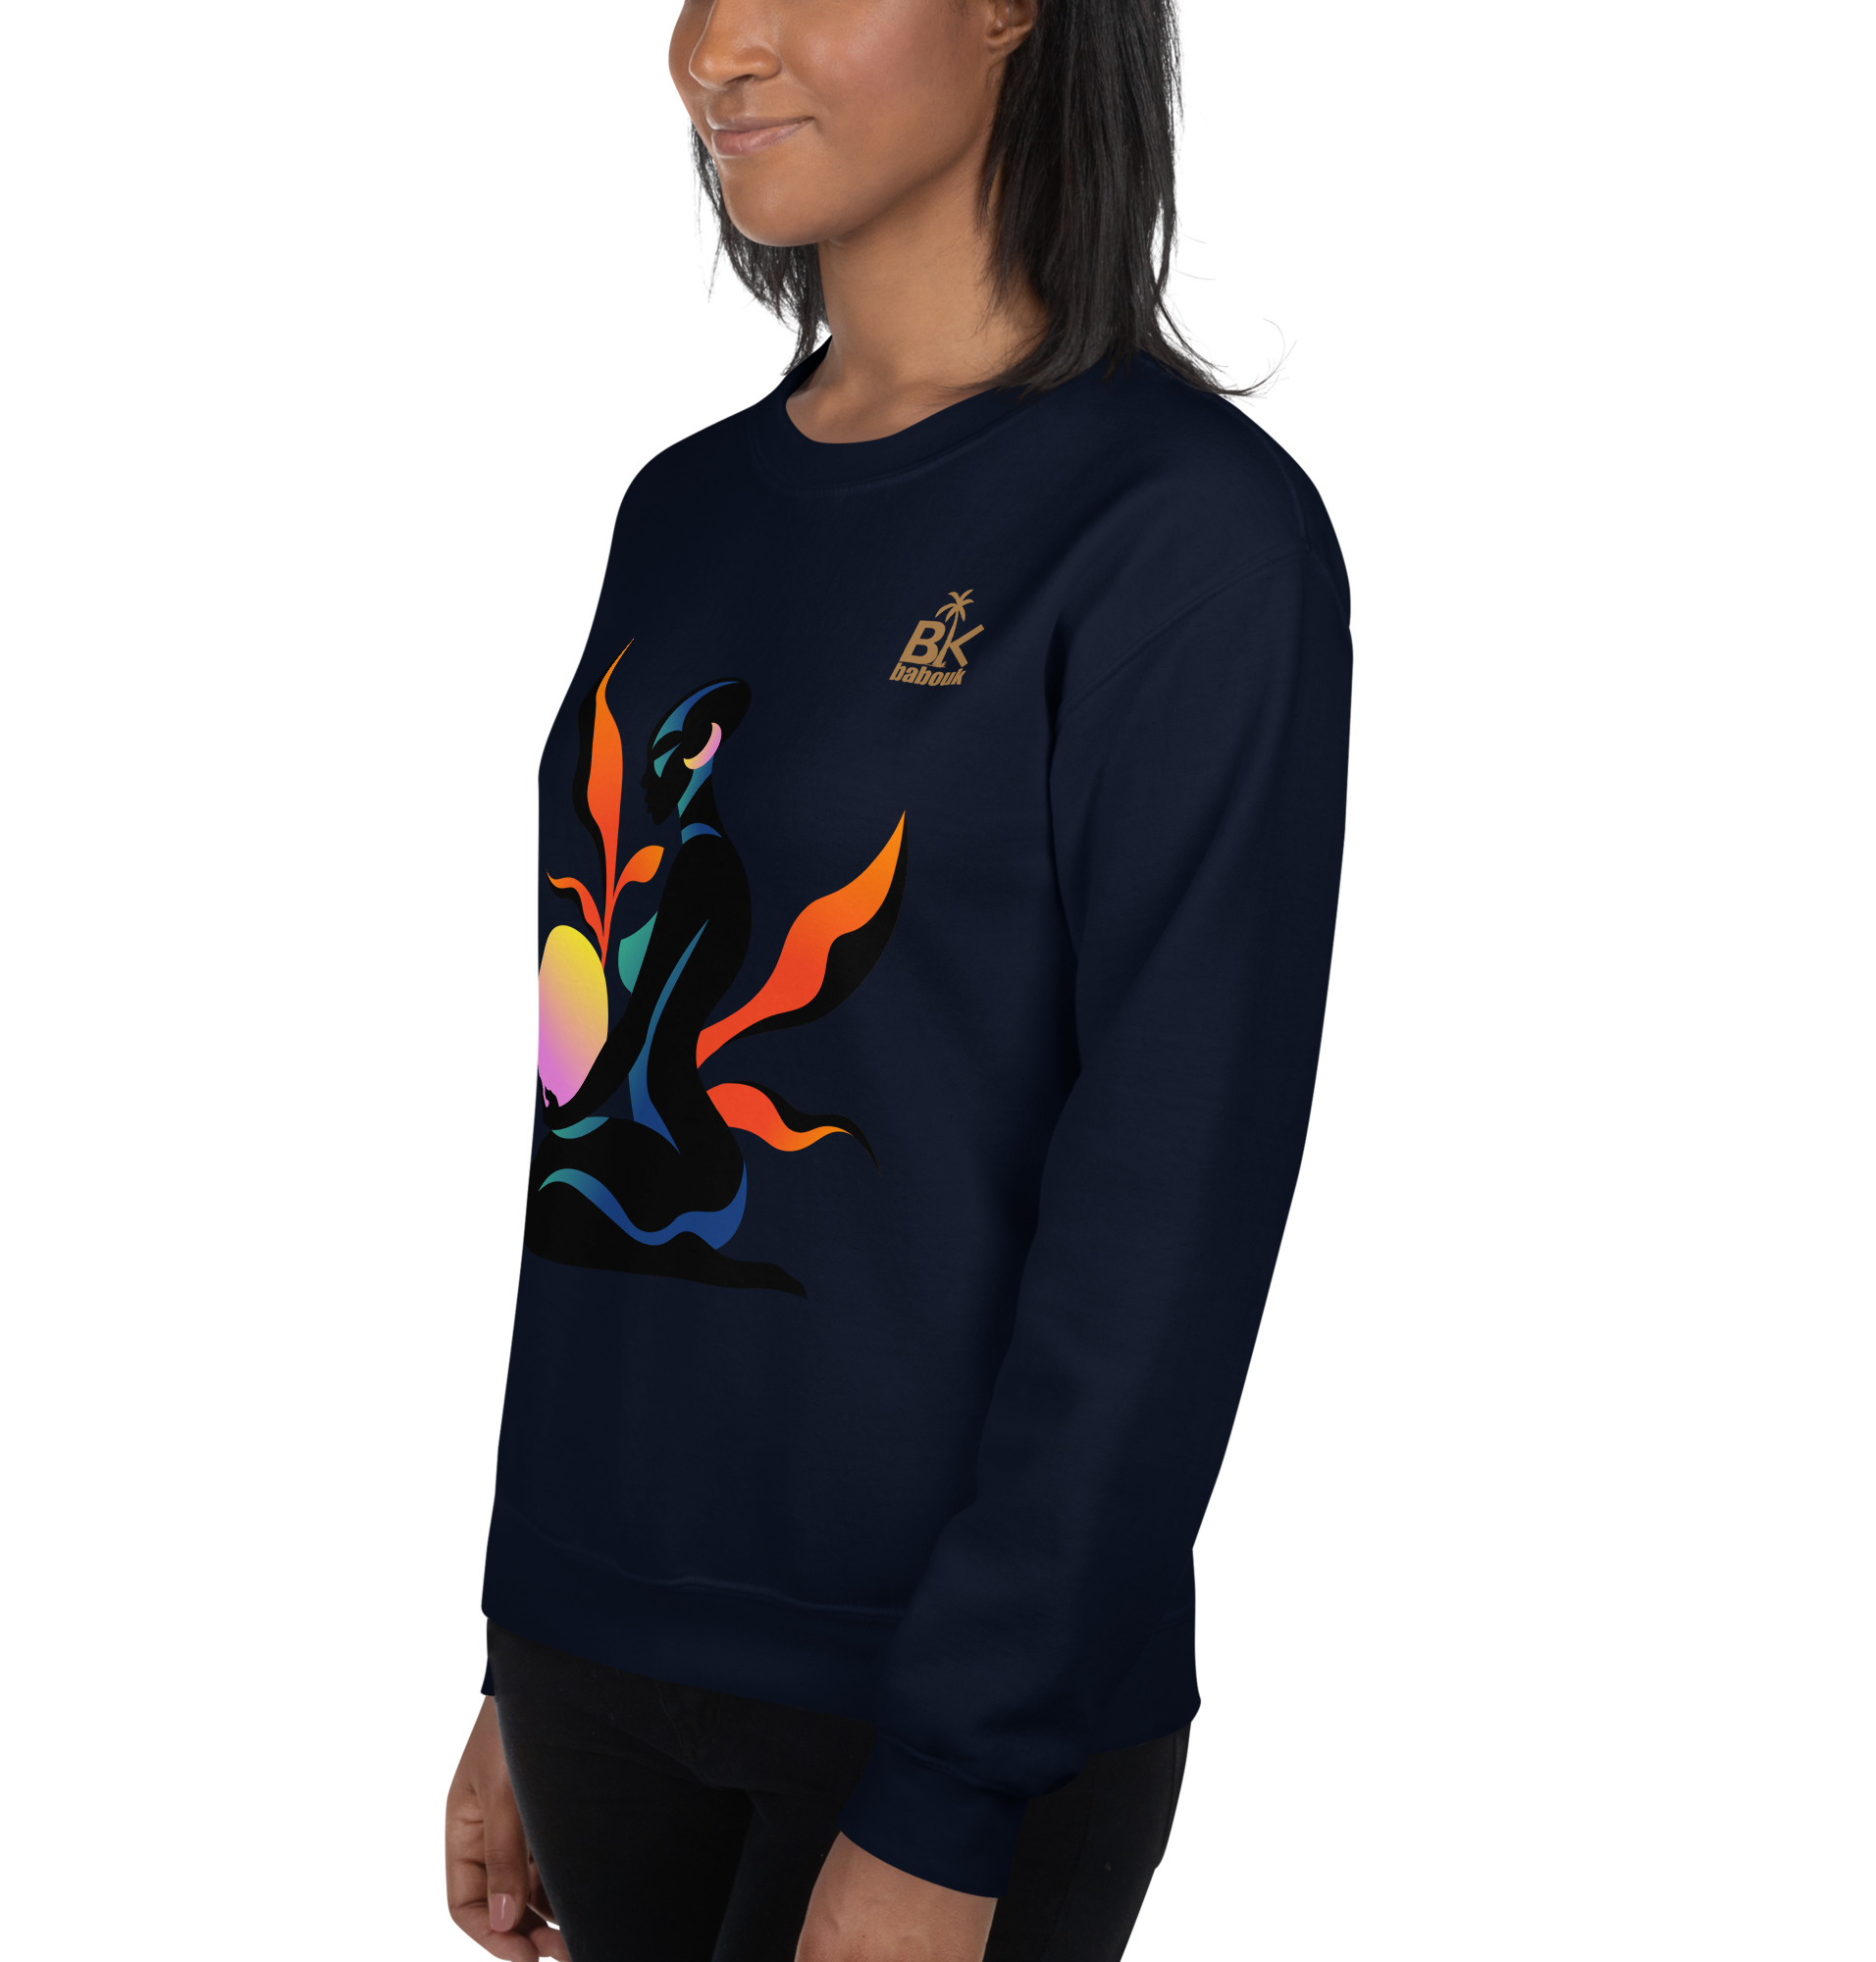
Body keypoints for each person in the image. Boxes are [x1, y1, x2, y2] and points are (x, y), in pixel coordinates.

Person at [444, 1, 1351, 1957]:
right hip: (599, 1649)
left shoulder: (1186, 533)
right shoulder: (683, 508)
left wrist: (958, 1782)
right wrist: (521, 1642)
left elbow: (1172, 1203)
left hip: (939, 1700)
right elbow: (591, 1094)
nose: (717, 48)